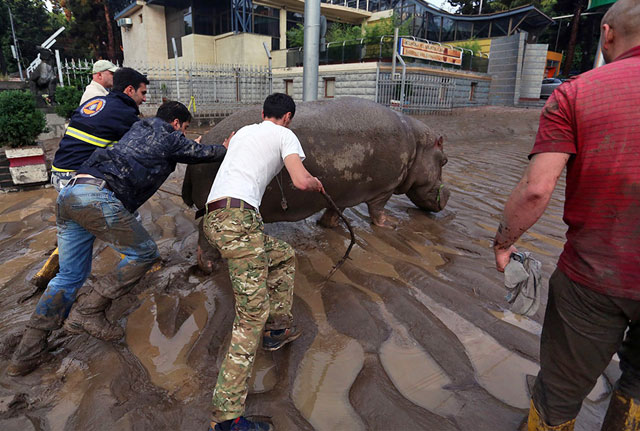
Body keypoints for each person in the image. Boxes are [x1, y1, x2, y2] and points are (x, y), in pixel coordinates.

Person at [493, 1, 640, 430]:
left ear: (607, 34)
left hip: (595, 278)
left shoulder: (576, 92)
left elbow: (537, 188)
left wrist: (504, 242)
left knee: (559, 394)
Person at [8, 101, 230, 377]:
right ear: (176, 123)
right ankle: (89, 310)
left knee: (69, 276)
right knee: (144, 253)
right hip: (98, 199)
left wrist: (185, 145)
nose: (182, 134)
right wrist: (225, 147)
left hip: (71, 194)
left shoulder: (139, 127)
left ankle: (26, 353)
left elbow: (179, 149)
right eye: (183, 129)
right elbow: (205, 153)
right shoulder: (169, 135)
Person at [203, 93, 323, 431]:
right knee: (249, 317)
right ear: (287, 117)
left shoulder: (242, 131)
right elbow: (300, 181)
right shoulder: (285, 134)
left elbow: (227, 144)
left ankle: (278, 329)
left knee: (283, 255)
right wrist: (315, 183)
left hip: (214, 221)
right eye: (288, 119)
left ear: (261, 113)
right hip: (238, 221)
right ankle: (226, 418)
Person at [29, 67, 149, 291]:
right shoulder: (124, 113)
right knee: (128, 217)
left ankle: (53, 270)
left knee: (81, 224)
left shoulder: (95, 103)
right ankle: (141, 264)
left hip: (59, 175)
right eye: (142, 93)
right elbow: (143, 147)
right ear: (130, 90)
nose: (144, 99)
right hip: (79, 180)